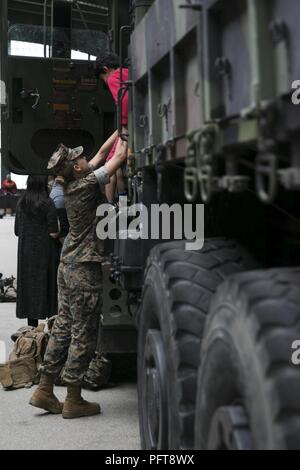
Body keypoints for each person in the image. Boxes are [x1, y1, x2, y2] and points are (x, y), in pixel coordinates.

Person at [29, 137, 127, 419]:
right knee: (84, 333)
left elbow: (99, 155)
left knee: (63, 325)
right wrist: (128, 133)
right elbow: (117, 158)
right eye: (78, 158)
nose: (84, 158)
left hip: (66, 265)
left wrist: (117, 132)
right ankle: (73, 398)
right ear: (78, 168)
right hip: (84, 267)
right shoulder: (86, 186)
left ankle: (45, 389)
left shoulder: (68, 184)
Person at [14, 176, 60, 328]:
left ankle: (32, 332)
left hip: (26, 253)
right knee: (49, 288)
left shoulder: (21, 203)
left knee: (30, 289)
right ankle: (52, 331)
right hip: (46, 253)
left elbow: (17, 231)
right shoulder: (48, 203)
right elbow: (54, 232)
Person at [94, 52, 129, 205]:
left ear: (106, 69)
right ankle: (123, 202)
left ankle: (109, 205)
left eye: (103, 78)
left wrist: (122, 126)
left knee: (110, 165)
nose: (105, 82)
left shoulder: (114, 77)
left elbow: (124, 102)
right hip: (133, 124)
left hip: (127, 126)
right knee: (119, 170)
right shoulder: (128, 72)